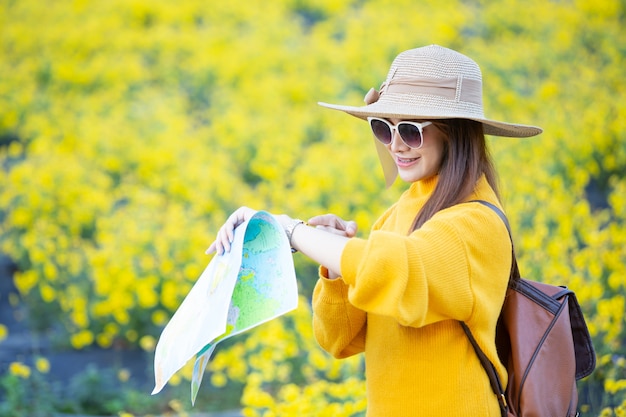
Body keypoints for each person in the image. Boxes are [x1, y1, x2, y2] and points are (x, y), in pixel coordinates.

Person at [207, 45, 542, 416]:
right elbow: (338, 341)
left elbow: (402, 269)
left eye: (411, 132)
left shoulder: (477, 222)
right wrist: (335, 268)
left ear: (456, 133)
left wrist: (291, 231)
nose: (395, 145)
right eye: (383, 127)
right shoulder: (396, 214)